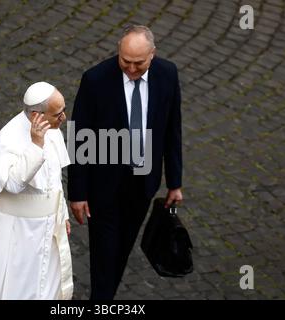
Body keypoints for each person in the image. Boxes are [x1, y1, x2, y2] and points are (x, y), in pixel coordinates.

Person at [68, 25, 183, 300]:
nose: (131, 69)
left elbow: (172, 128)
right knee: (104, 255)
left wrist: (174, 182)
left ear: (152, 55)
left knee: (121, 250)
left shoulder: (167, 74)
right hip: (103, 186)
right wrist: (78, 193)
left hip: (143, 183)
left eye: (138, 63)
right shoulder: (95, 80)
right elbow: (79, 137)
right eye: (125, 61)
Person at [0, 81, 73, 300]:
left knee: (47, 289)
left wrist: (63, 214)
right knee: (16, 290)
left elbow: (55, 179)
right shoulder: (9, 137)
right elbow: (12, 183)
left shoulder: (52, 129)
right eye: (57, 113)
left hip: (48, 229)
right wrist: (36, 145)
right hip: (17, 232)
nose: (64, 118)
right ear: (36, 115)